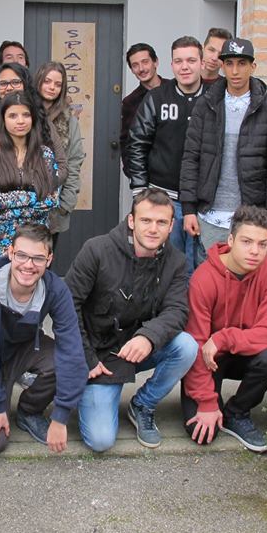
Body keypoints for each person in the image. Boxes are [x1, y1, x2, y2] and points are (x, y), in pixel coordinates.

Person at [65, 188, 197, 452]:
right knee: (101, 440)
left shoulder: (177, 262)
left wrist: (149, 337)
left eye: (161, 222)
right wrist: (85, 358)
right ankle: (86, 392)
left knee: (186, 346)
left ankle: (143, 404)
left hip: (138, 348)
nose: (153, 229)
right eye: (146, 220)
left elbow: (177, 310)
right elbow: (66, 306)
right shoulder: (97, 250)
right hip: (99, 356)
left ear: (172, 226)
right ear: (131, 221)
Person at [0, 223, 88, 455]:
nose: (28, 265)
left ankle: (29, 410)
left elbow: (71, 349)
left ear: (49, 260)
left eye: (38, 258)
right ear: (10, 252)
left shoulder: (56, 290)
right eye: (22, 255)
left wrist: (61, 417)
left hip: (24, 350)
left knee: (63, 361)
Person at [181, 205, 267, 454]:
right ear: (230, 240)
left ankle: (237, 412)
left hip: (243, 352)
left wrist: (223, 337)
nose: (255, 251)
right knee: (202, 433)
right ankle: (213, 402)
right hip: (208, 360)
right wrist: (207, 402)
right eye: (247, 242)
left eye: (262, 244)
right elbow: (196, 343)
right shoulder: (204, 278)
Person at [179, 37, 267, 269]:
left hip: (251, 217)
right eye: (229, 63)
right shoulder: (206, 104)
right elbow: (191, 157)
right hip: (210, 215)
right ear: (222, 66)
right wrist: (188, 208)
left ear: (253, 66)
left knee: (247, 281)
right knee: (210, 277)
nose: (235, 71)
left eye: (242, 63)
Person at [125, 36, 206, 274]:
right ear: (171, 65)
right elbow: (137, 143)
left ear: (202, 63)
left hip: (204, 202)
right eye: (178, 61)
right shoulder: (157, 98)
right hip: (164, 198)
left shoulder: (214, 98)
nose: (185, 67)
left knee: (201, 267)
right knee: (166, 266)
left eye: (191, 60)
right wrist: (140, 191)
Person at [0, 91, 60, 273]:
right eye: (13, 115)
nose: (20, 121)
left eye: (26, 115)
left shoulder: (45, 155)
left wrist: (0, 209)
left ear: (33, 118)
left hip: (33, 246)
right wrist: (28, 198)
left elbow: (51, 199)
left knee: (31, 291)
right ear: (3, 119)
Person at [34, 61, 85, 243]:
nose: (52, 87)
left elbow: (74, 160)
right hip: (22, 204)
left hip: (54, 206)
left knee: (45, 256)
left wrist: (66, 203)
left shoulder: (69, 119)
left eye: (57, 84)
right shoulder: (24, 113)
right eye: (47, 81)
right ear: (38, 81)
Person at [119, 43, 161, 176]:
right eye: (135, 65)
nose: (141, 69)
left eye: (145, 62)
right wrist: (131, 172)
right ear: (132, 70)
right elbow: (126, 141)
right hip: (146, 174)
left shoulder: (174, 89)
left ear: (155, 62)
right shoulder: (130, 102)